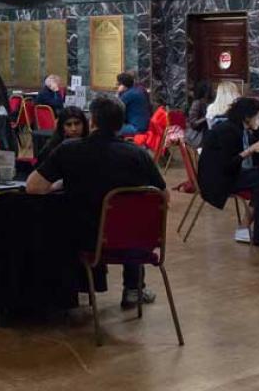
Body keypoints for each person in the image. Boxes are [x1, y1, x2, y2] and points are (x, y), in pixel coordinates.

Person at [27, 97, 166, 309]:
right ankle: (133, 288)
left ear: (92, 122)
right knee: (129, 223)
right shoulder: (139, 154)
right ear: (120, 124)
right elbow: (163, 197)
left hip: (85, 239)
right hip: (134, 241)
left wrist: (59, 184)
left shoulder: (69, 150)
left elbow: (33, 187)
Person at [197, 97, 259, 243]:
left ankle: (250, 227)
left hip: (221, 175)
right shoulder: (229, 131)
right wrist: (250, 150)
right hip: (218, 181)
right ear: (248, 117)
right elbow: (228, 165)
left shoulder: (233, 128)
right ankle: (245, 228)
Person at [184, 79, 213, 149]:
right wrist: (206, 118)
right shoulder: (197, 103)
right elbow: (193, 123)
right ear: (205, 91)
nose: (212, 91)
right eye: (210, 89)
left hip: (205, 132)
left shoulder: (209, 101)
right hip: (197, 136)